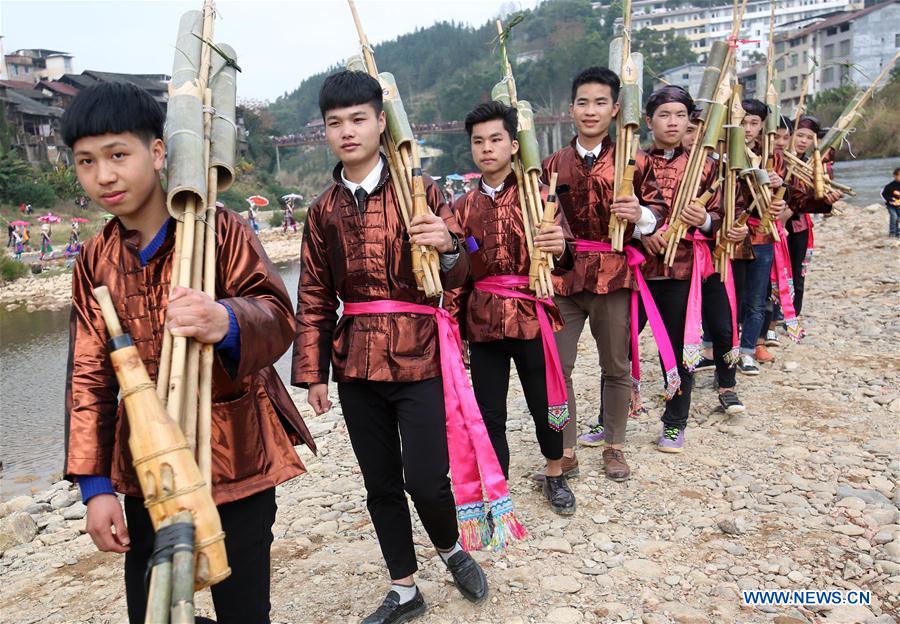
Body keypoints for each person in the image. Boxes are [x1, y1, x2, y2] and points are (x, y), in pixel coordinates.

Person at [61, 82, 315, 624]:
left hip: (236, 458)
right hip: (149, 468)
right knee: (154, 609)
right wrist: (95, 487)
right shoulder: (93, 260)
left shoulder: (219, 231)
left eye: (118, 155)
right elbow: (89, 376)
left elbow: (278, 316)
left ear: (158, 153)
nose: (103, 175)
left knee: (243, 609)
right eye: (86, 161)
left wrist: (226, 320)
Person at [292, 71, 491, 624]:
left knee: (425, 479)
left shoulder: (420, 191)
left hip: (419, 353)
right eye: (335, 123)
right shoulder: (322, 210)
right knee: (379, 483)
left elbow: (460, 273)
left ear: (382, 122)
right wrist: (313, 373)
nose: (347, 131)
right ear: (325, 131)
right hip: (355, 363)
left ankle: (450, 548)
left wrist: (448, 246)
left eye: (359, 119)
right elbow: (314, 294)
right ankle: (404, 587)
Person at [445, 101, 576, 514]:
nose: (487, 148)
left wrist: (560, 246)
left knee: (544, 402)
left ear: (514, 145)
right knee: (489, 413)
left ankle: (555, 472)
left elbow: (567, 258)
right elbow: (458, 274)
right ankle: (496, 488)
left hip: (532, 315)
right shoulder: (461, 207)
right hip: (482, 320)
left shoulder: (540, 196)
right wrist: (454, 329)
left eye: (496, 139)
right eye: (478, 141)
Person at [543, 67, 667, 480]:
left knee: (616, 364)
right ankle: (565, 450)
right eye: (583, 102)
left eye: (600, 102)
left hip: (613, 274)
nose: (591, 110)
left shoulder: (635, 160)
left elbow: (659, 211)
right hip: (563, 277)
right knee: (557, 367)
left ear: (615, 109)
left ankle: (614, 446)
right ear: (571, 109)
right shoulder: (552, 165)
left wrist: (640, 214)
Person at [634, 86, 738, 450]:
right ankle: (609, 417)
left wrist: (704, 219)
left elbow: (725, 216)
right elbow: (614, 212)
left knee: (680, 349)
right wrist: (641, 233)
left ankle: (675, 422)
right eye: (664, 115)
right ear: (648, 121)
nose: (673, 122)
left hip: (681, 270)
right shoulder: (631, 162)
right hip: (636, 270)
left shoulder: (705, 166)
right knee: (620, 347)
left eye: (680, 115)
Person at [731, 99, 787, 375]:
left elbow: (783, 199)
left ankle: (748, 351)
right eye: (743, 123)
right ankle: (725, 350)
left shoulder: (770, 156)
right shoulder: (725, 155)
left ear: (763, 126)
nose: (748, 128)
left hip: (763, 234)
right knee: (731, 298)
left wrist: (778, 186)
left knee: (757, 297)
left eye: (754, 123)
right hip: (733, 235)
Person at [782, 115, 843, 324]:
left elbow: (819, 198)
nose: (803, 141)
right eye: (800, 135)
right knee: (777, 269)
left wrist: (827, 200)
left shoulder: (815, 165)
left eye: (809, 138)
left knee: (797, 271)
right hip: (776, 222)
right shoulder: (778, 160)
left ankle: (793, 314)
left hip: (799, 225)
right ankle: (773, 314)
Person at [883, 167, 900, 238]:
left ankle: (898, 232)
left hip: (899, 205)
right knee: (894, 217)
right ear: (894, 176)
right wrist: (890, 199)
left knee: (898, 218)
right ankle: (892, 232)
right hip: (891, 205)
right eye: (899, 176)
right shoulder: (890, 186)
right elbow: (883, 194)